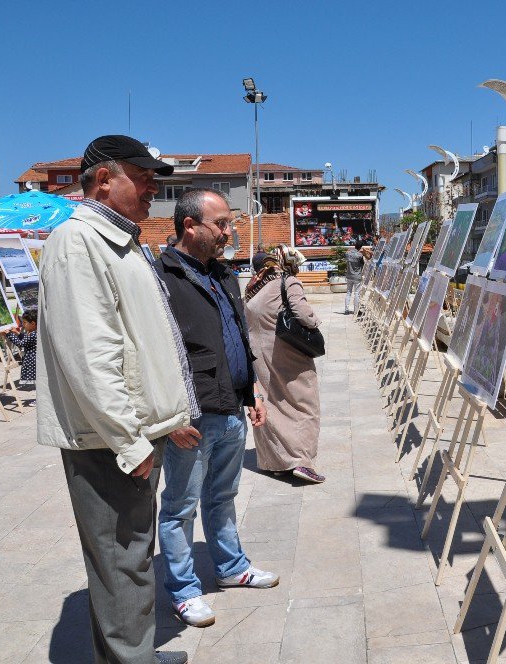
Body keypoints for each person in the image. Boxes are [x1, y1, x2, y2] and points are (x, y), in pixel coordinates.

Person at [36, 135, 198, 664]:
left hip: (122, 434)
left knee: (129, 557)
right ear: (104, 179)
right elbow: (91, 358)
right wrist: (131, 441)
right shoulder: (78, 242)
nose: (154, 186)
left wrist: (166, 418)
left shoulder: (118, 241)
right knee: (121, 559)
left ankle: (135, 655)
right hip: (105, 440)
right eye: (142, 175)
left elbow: (140, 344)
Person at [155, 189, 276, 629]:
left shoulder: (224, 274)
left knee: (223, 496)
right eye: (222, 223)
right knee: (180, 505)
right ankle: (184, 591)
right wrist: (171, 417)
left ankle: (230, 568)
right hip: (192, 415)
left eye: (230, 223)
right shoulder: (161, 276)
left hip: (231, 406)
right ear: (191, 225)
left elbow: (237, 338)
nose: (230, 231)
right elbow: (153, 351)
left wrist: (253, 392)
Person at [244, 246, 325, 483]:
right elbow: (303, 313)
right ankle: (302, 461)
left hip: (259, 354)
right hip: (287, 352)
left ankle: (275, 463)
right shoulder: (288, 281)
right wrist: (315, 321)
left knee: (271, 404)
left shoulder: (253, 287)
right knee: (305, 404)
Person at [6, 309, 37, 388]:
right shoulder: (34, 332)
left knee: (37, 382)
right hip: (33, 359)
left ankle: (39, 399)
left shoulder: (33, 334)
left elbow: (21, 343)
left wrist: (9, 334)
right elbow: (26, 340)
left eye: (25, 322)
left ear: (33, 323)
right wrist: (18, 333)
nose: (23, 325)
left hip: (32, 361)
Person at [344, 239, 366, 314]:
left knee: (348, 292)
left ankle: (346, 310)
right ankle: (356, 311)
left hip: (349, 275)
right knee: (357, 293)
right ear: (360, 247)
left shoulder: (347, 253)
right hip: (357, 276)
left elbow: (345, 257)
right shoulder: (360, 255)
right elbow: (362, 264)